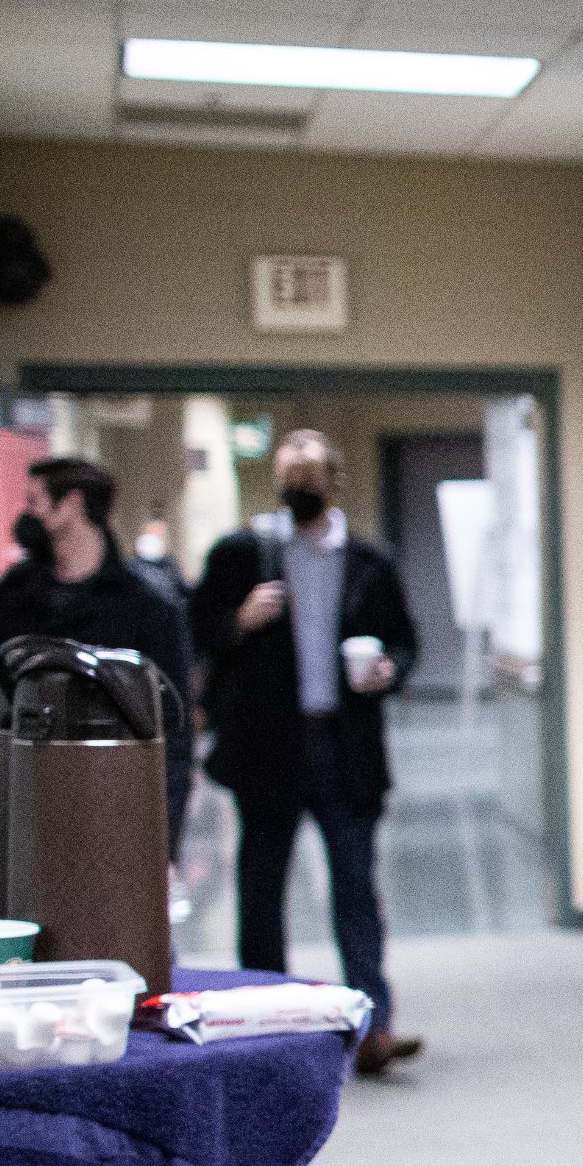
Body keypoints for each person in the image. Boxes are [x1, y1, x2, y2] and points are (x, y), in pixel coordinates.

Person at [191, 429, 424, 1077]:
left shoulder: (370, 561)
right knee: (262, 888)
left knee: (356, 887)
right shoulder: (242, 553)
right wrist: (240, 621)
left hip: (344, 747)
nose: (300, 482)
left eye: (312, 471)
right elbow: (197, 629)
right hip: (269, 747)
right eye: (289, 471)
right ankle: (263, 1029)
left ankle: (373, 1027)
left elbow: (406, 642)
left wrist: (389, 669)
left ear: (335, 480)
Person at [0, 453, 195, 852]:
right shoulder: (15, 595)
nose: (27, 516)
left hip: (114, 807)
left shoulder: (148, 605)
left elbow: (174, 733)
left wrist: (164, 842)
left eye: (34, 502)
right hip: (30, 806)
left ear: (72, 506)